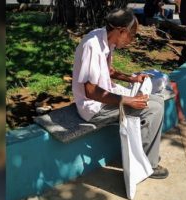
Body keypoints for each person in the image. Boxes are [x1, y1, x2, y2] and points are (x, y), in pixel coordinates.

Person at [72, 8, 169, 179]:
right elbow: (91, 91)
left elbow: (108, 70)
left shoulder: (106, 38)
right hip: (93, 108)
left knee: (158, 101)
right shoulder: (91, 46)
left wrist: (131, 79)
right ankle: (148, 164)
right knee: (153, 108)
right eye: (131, 36)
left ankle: (145, 153)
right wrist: (126, 100)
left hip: (106, 95)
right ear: (121, 31)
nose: (131, 41)